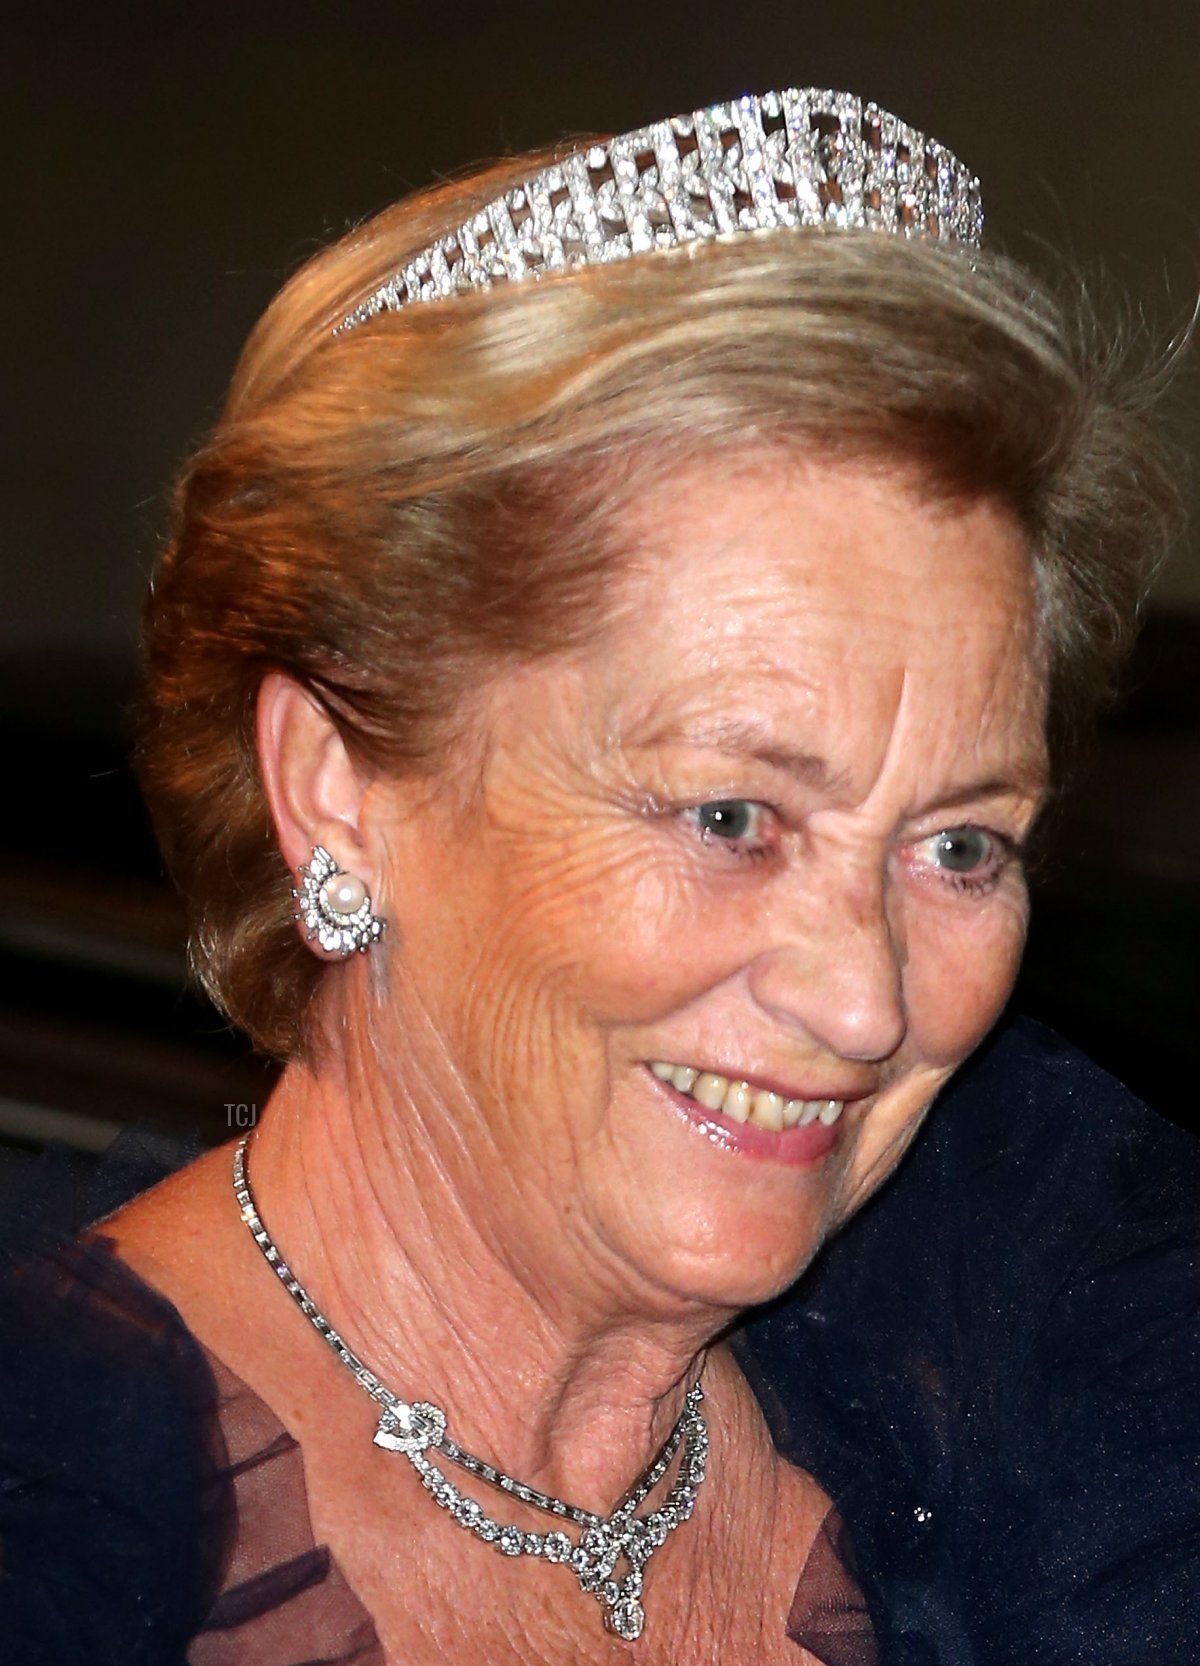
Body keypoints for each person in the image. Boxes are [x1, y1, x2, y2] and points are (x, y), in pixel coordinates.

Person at [2, 88, 1197, 1665]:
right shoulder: (64, 1520)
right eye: (729, 815)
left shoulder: (1048, 1386)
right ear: (333, 787)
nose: (862, 999)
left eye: (960, 844)